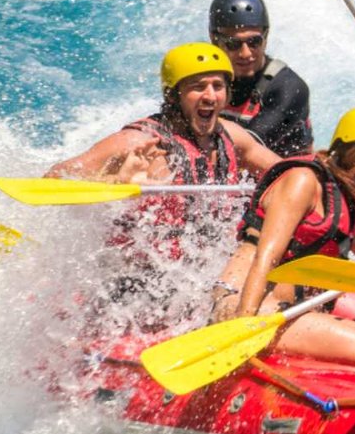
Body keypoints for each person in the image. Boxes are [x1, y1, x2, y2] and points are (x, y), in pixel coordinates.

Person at [45, 42, 281, 322]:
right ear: (174, 95)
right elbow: (54, 178)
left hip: (204, 276)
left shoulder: (232, 136)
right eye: (197, 86)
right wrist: (115, 183)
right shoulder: (140, 141)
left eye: (218, 86)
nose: (210, 96)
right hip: (134, 286)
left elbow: (288, 174)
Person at [211, 107, 355, 375]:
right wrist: (242, 327)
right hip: (245, 304)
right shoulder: (304, 181)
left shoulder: (346, 199)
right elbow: (266, 257)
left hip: (290, 311)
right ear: (345, 150)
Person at [210, 0, 313, 157]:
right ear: (214, 40)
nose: (246, 53)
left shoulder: (290, 87)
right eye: (233, 44)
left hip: (288, 177)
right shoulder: (205, 80)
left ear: (266, 37)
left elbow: (245, 151)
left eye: (254, 42)